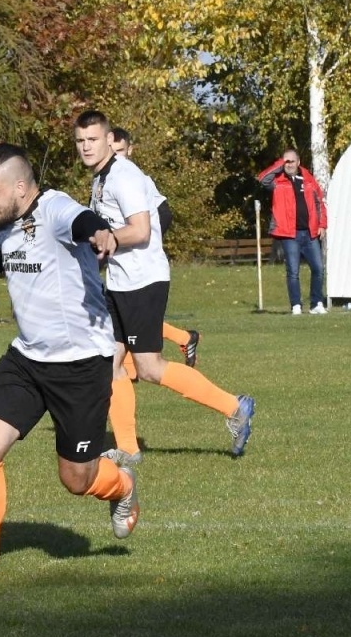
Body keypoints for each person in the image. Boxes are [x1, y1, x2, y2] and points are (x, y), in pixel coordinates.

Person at [0, 144, 140, 581]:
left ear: (20, 187)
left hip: (80, 364)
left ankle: (123, 485)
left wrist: (102, 234)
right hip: (28, 358)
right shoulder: (5, 225)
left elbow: (84, 221)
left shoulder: (55, 208)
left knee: (77, 480)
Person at [75, 110, 255, 464]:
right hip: (120, 282)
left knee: (150, 368)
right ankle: (127, 448)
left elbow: (141, 230)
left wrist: (109, 238)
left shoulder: (123, 177)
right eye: (80, 141)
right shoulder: (100, 178)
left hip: (143, 281)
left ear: (109, 140)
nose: (86, 147)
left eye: (92, 140)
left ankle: (234, 407)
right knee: (109, 363)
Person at [109, 127, 200, 367]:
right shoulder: (107, 178)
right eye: (112, 151)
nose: (116, 156)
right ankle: (184, 337)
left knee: (146, 366)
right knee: (115, 359)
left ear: (130, 150)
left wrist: (142, 243)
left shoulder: (135, 178)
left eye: (121, 151)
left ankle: (232, 404)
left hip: (141, 273)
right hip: (120, 274)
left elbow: (164, 213)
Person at [257, 149, 329, 315]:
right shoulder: (277, 181)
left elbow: (320, 202)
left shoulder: (308, 179)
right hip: (289, 234)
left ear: (298, 162)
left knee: (318, 268)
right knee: (293, 271)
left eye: (291, 161)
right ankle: (296, 305)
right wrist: (280, 164)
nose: (288, 164)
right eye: (285, 161)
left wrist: (322, 224)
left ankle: (316, 303)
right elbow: (262, 178)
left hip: (310, 233)